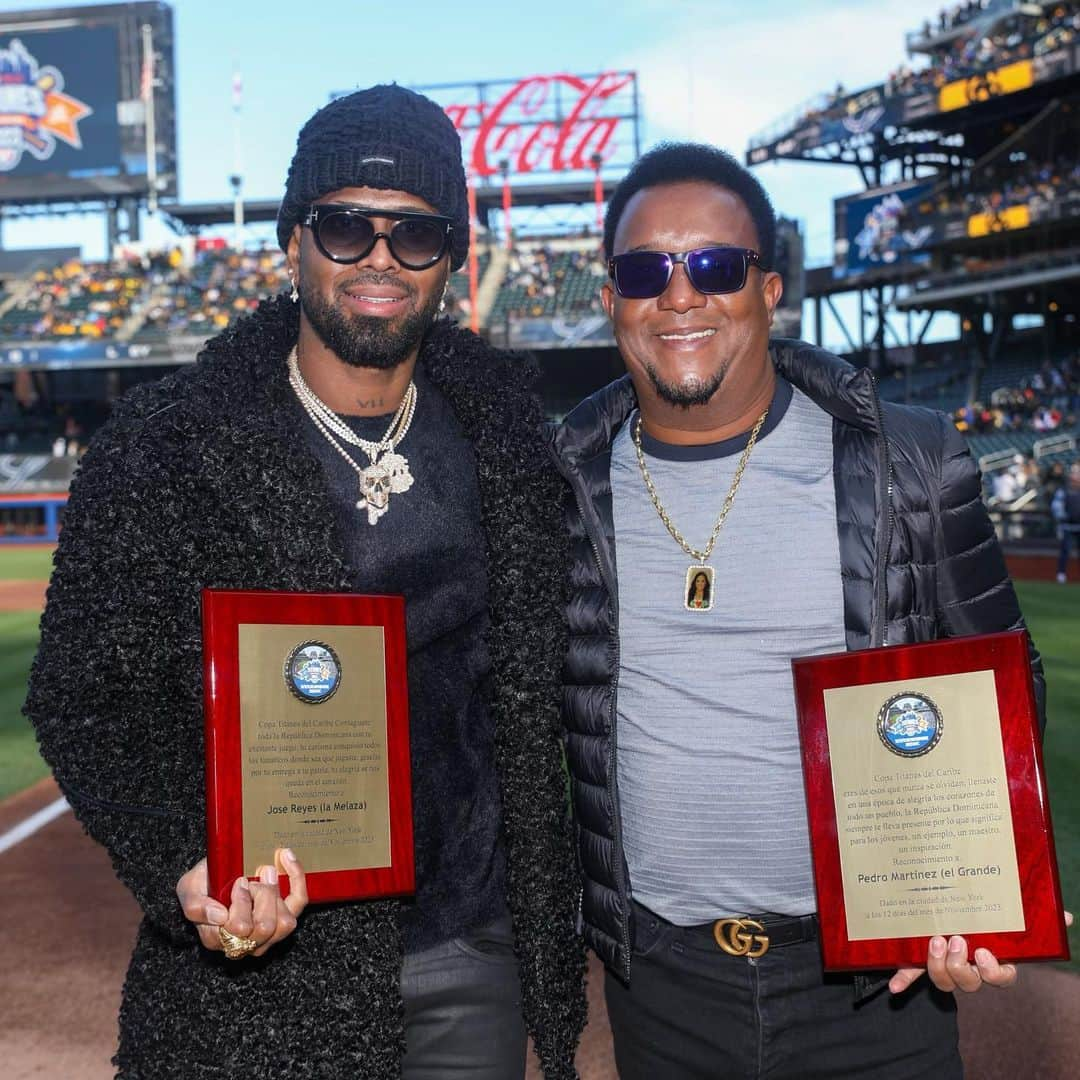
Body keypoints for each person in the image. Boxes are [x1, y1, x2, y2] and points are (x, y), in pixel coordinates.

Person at [26, 85, 585, 1079]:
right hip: (260, 970)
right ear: (294, 241)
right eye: (345, 226)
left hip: (469, 944)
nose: (379, 257)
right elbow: (84, 696)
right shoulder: (162, 446)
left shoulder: (510, 441)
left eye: (414, 234)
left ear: (451, 259)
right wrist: (182, 865)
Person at [549, 142, 1053, 1078]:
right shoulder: (556, 482)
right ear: (612, 295)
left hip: (871, 987)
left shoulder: (908, 460)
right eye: (643, 269)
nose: (680, 295)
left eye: (713, 266)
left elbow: (1004, 687)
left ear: (770, 288)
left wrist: (967, 889)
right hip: (661, 986)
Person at [1052, 461, 1080, 582]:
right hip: (1068, 525)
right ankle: (1061, 574)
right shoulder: (1064, 490)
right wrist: (1063, 515)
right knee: (1065, 551)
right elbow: (1056, 506)